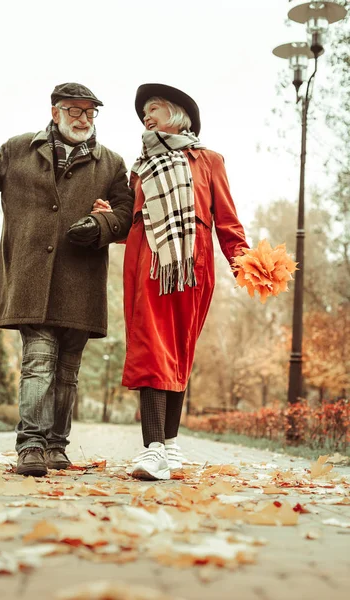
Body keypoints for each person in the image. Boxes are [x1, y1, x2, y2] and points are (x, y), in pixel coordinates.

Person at [0, 82, 134, 477]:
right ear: (55, 112)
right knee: (39, 360)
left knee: (67, 370)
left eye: (90, 112)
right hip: (30, 278)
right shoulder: (18, 148)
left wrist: (101, 224)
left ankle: (56, 445)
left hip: (81, 280)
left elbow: (126, 214)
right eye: (75, 111)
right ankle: (32, 445)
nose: (84, 119)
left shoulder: (112, 163)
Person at [93, 83, 249, 480]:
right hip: (148, 260)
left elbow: (227, 220)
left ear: (178, 114)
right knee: (151, 346)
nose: (147, 116)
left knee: (178, 349)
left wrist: (246, 264)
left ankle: (171, 444)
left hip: (193, 263)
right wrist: (109, 216)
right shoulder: (140, 168)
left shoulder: (209, 160)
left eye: (155, 108)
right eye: (145, 111)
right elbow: (131, 222)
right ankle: (152, 449)